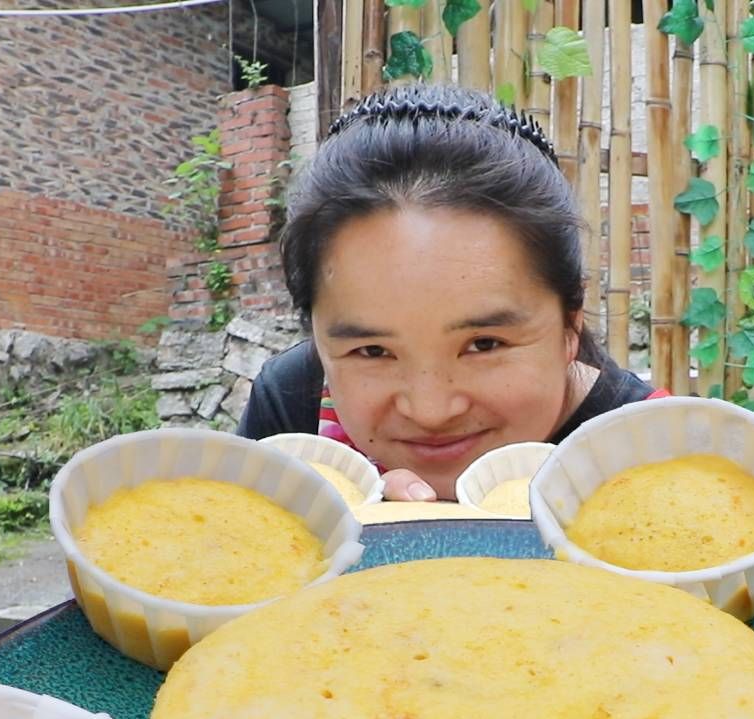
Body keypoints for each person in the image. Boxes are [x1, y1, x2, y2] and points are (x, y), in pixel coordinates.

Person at [237, 82, 665, 501]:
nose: (431, 410)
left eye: (484, 344)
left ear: (571, 323)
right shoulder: (292, 416)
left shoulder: (660, 459)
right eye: (372, 351)